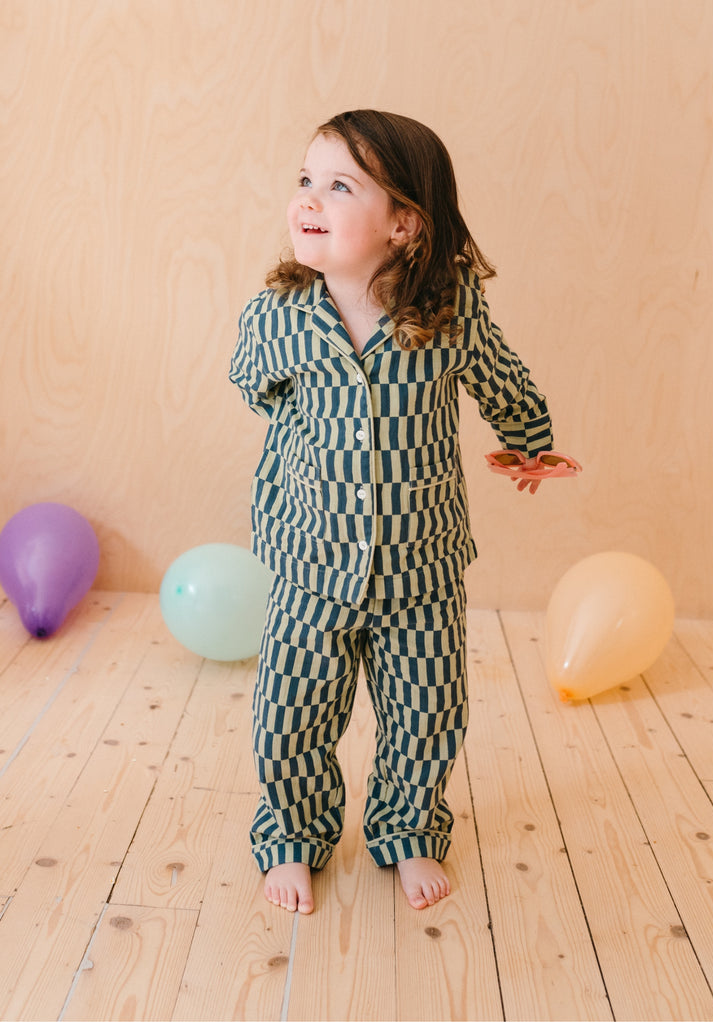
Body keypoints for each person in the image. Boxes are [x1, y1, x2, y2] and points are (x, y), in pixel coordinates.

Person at [229, 109, 575, 915]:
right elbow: (252, 381)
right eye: (305, 179)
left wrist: (530, 442)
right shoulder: (280, 318)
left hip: (420, 565)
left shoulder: (446, 314)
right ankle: (291, 835)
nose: (309, 197)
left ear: (405, 223)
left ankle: (409, 827)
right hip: (311, 560)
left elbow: (500, 376)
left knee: (427, 708)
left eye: (340, 185)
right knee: (291, 710)